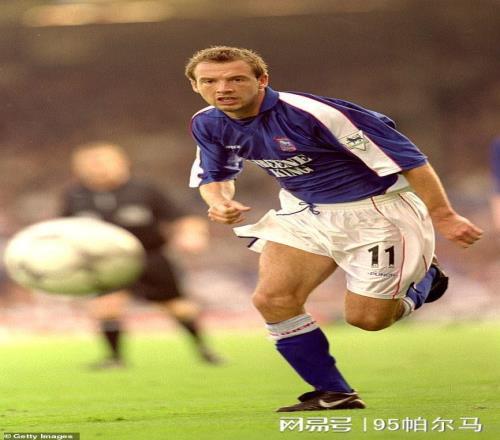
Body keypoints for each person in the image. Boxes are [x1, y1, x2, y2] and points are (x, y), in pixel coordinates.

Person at [184, 46, 483, 411]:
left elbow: (411, 161)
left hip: (376, 212)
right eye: (209, 81)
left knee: (368, 320)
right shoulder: (207, 122)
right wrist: (219, 202)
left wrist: (444, 216)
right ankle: (334, 393)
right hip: (304, 210)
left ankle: (426, 280)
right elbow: (213, 176)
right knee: (272, 299)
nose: (223, 88)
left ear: (262, 80)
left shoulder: (315, 114)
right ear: (195, 86)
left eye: (235, 79)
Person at [62, 141, 222, 368]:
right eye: (90, 164)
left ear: (121, 163)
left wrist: (191, 234)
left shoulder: (145, 190)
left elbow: (182, 217)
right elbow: (64, 229)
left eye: (103, 162)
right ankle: (114, 359)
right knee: (106, 306)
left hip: (150, 256)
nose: (97, 169)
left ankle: (204, 350)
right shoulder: (74, 196)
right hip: (106, 261)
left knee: (177, 306)